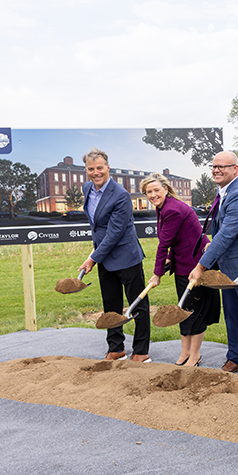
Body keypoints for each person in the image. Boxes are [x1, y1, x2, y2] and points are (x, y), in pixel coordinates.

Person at [188, 151, 238, 379]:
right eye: (214, 166)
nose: (216, 170)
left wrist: (201, 267)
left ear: (236, 169)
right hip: (229, 269)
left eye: (222, 166)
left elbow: (226, 235)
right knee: (233, 316)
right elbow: (221, 229)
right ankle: (235, 359)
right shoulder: (224, 191)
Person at [78, 147, 151, 362]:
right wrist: (96, 254)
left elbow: (114, 233)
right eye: (91, 169)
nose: (95, 172)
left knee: (138, 305)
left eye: (99, 168)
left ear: (108, 168)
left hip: (126, 257)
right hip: (105, 258)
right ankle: (116, 348)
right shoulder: (87, 188)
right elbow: (98, 227)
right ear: (87, 171)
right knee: (111, 306)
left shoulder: (120, 195)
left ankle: (141, 352)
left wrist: (92, 258)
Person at [141, 173, 220, 367]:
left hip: (197, 265)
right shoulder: (164, 207)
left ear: (165, 189)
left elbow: (163, 244)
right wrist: (170, 258)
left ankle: (195, 355)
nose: (152, 194)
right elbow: (178, 238)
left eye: (156, 190)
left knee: (195, 312)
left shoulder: (172, 210)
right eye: (148, 192)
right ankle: (185, 353)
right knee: (183, 309)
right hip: (183, 263)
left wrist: (157, 274)